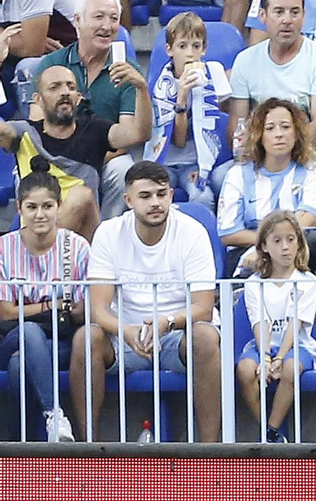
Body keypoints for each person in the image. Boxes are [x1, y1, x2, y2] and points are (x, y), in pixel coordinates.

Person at [71, 162, 222, 441]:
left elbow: (204, 307)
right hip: (124, 336)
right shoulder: (108, 232)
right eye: (145, 196)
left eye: (161, 194)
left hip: (177, 333)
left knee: (205, 336)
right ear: (128, 200)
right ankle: (87, 448)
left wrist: (167, 322)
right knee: (86, 338)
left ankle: (209, 453)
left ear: (171, 195)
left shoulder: (193, 231)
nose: (155, 203)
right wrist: (125, 331)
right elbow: (98, 308)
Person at [31, 0, 149, 220]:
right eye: (99, 17)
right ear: (78, 20)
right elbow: (36, 122)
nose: (107, 25)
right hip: (56, 154)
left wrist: (89, 157)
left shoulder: (127, 71)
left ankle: (104, 232)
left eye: (114, 19)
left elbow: (130, 136)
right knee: (22, 170)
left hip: (106, 154)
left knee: (122, 169)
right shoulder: (52, 63)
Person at [4, 62, 150, 241]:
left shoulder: (95, 130)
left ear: (78, 98)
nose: (65, 92)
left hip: (82, 239)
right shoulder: (24, 132)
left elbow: (139, 134)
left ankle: (48, 256)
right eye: (54, 87)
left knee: (81, 196)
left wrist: (141, 88)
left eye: (71, 87)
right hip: (34, 231)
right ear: (38, 99)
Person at [0, 161, 88, 443]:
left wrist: (29, 308)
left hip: (60, 341)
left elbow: (81, 310)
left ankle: (20, 448)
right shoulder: (4, 247)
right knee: (27, 333)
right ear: (20, 209)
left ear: (59, 207)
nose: (40, 215)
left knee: (19, 366)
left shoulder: (75, 247)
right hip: (11, 337)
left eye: (47, 207)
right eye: (32, 207)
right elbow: (5, 313)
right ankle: (55, 414)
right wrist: (50, 305)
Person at [229, 0, 316, 162]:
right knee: (220, 177)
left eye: (294, 12)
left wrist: (278, 158)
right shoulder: (245, 60)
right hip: (262, 153)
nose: (287, 20)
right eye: (279, 12)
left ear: (304, 16)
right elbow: (237, 125)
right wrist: (265, 154)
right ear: (262, 16)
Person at [217, 99, 316, 276]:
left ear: (297, 132)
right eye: (270, 128)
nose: (279, 134)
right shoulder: (237, 174)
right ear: (259, 135)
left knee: (312, 241)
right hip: (250, 247)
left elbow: (310, 217)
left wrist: (277, 243)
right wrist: (268, 244)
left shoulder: (313, 170)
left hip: (296, 245)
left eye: (285, 127)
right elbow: (229, 233)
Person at [237, 211, 316, 442]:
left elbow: (296, 323)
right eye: (277, 241)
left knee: (290, 367)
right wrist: (265, 357)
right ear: (264, 246)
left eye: (291, 239)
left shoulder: (309, 282)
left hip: (297, 345)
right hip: (264, 345)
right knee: (245, 368)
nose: (285, 247)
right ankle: (269, 433)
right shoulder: (254, 283)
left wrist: (280, 357)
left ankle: (273, 430)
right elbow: (259, 321)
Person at [144, 12, 231, 207]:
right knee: (153, 194)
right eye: (182, 46)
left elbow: (222, 123)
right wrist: (182, 96)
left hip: (196, 162)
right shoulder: (161, 86)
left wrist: (204, 168)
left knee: (202, 197)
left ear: (204, 49)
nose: (190, 53)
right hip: (164, 161)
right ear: (169, 49)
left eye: (196, 46)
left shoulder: (213, 73)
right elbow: (179, 141)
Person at [0, 0, 78, 108]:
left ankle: (33, 131)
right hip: (13, 56)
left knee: (27, 66)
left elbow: (31, 48)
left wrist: (7, 39)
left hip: (70, 57)